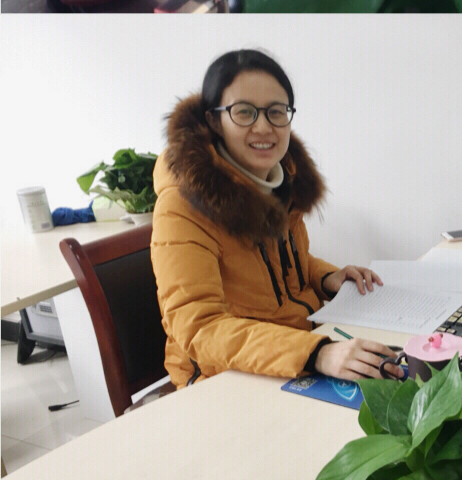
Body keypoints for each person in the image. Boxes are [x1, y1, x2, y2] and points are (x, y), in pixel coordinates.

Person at [151, 49, 399, 390]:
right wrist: (316, 353)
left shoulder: (283, 181)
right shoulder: (182, 206)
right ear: (214, 120)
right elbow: (201, 327)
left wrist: (327, 278)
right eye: (244, 112)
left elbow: (285, 265)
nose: (263, 127)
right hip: (220, 377)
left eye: (276, 112)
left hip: (293, 351)